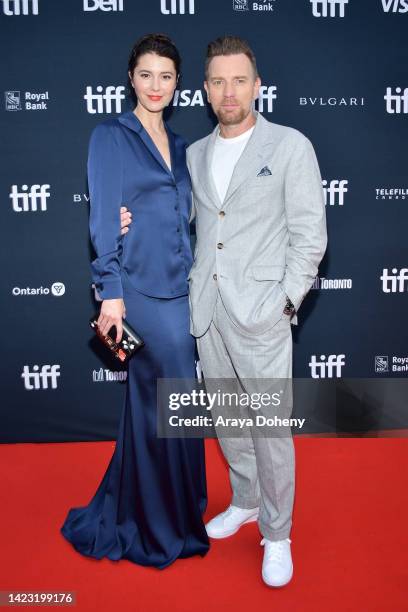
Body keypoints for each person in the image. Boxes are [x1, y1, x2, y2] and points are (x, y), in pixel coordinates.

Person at [122, 35, 328, 586]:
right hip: (207, 309)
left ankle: (278, 534)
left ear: (257, 86)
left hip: (261, 311)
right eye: (218, 81)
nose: (229, 91)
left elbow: (310, 236)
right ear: (206, 91)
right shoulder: (195, 153)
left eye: (239, 80)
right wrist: (127, 221)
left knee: (269, 429)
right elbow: (177, 221)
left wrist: (285, 300)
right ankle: (245, 500)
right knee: (230, 420)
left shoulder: (289, 146)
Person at [60, 33, 209, 569]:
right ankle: (156, 526)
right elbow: (103, 217)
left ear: (177, 84)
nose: (155, 85)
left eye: (165, 76)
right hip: (138, 292)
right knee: (165, 406)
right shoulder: (110, 135)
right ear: (130, 78)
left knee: (171, 407)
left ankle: (174, 511)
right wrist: (112, 295)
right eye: (145, 74)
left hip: (182, 289)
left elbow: (187, 219)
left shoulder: (184, 146)